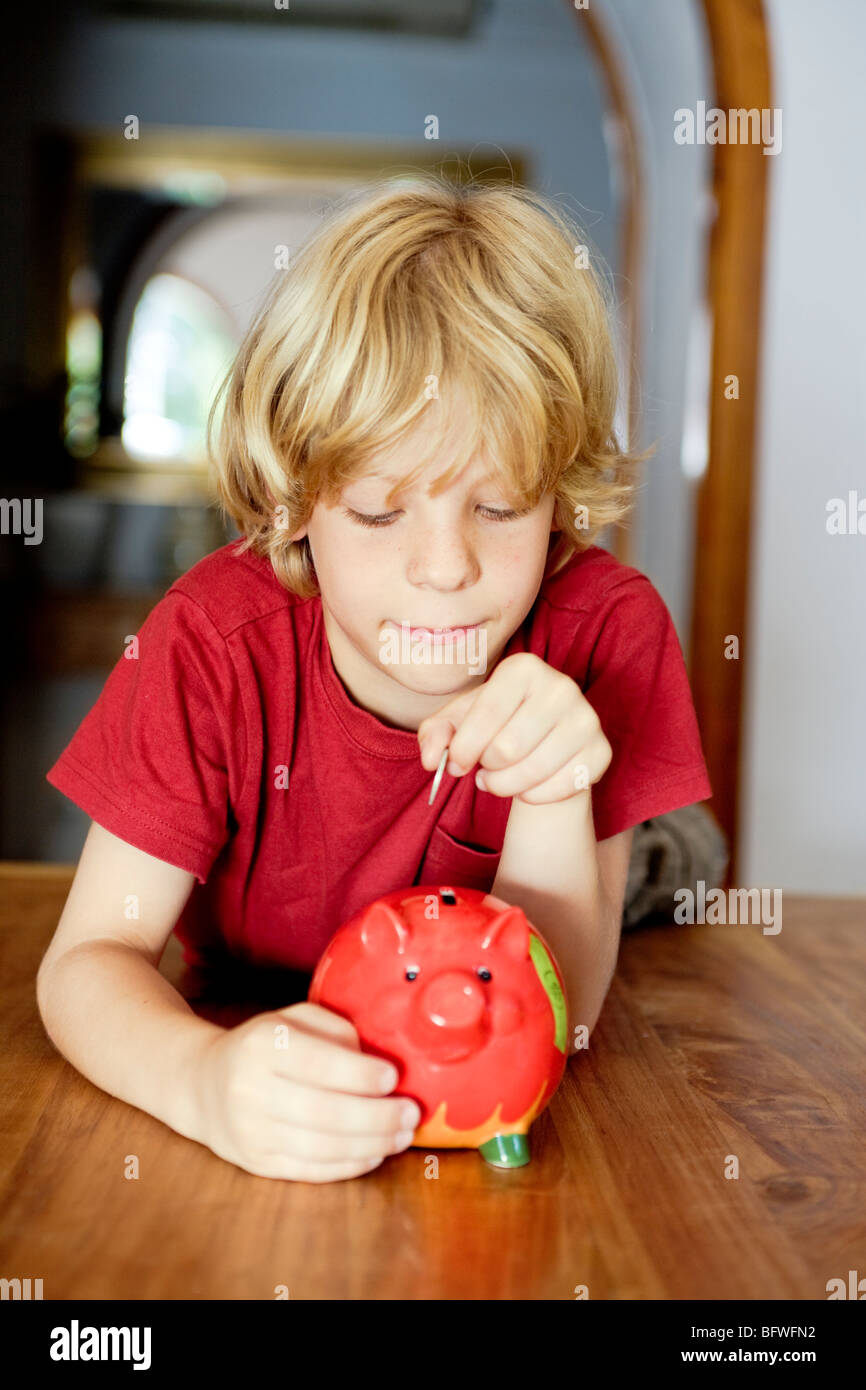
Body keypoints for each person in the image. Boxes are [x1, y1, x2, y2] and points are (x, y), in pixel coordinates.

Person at [39, 175, 715, 1185]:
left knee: (678, 866)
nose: (445, 568)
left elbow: (555, 1009)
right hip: (266, 989)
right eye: (379, 512)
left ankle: (660, 843)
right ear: (292, 504)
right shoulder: (210, 641)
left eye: (497, 507)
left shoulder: (606, 627)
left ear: (558, 500)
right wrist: (202, 1080)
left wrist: (553, 786)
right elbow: (86, 964)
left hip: (574, 901)